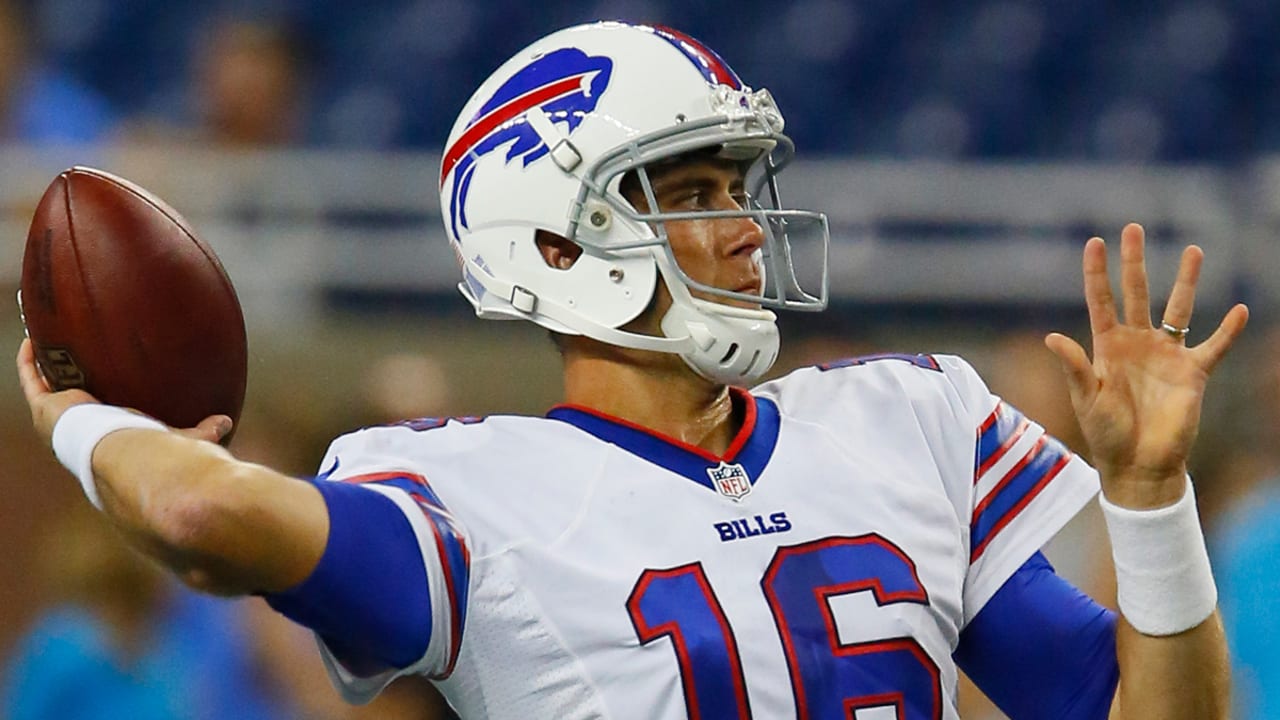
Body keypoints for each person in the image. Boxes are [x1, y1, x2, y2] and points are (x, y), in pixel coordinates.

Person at [16, 21, 1248, 719]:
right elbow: (196, 508)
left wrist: (1148, 499)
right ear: (555, 244)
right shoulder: (467, 492)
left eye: (738, 189)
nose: (746, 229)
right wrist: (76, 421)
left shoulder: (907, 419)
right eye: (693, 194)